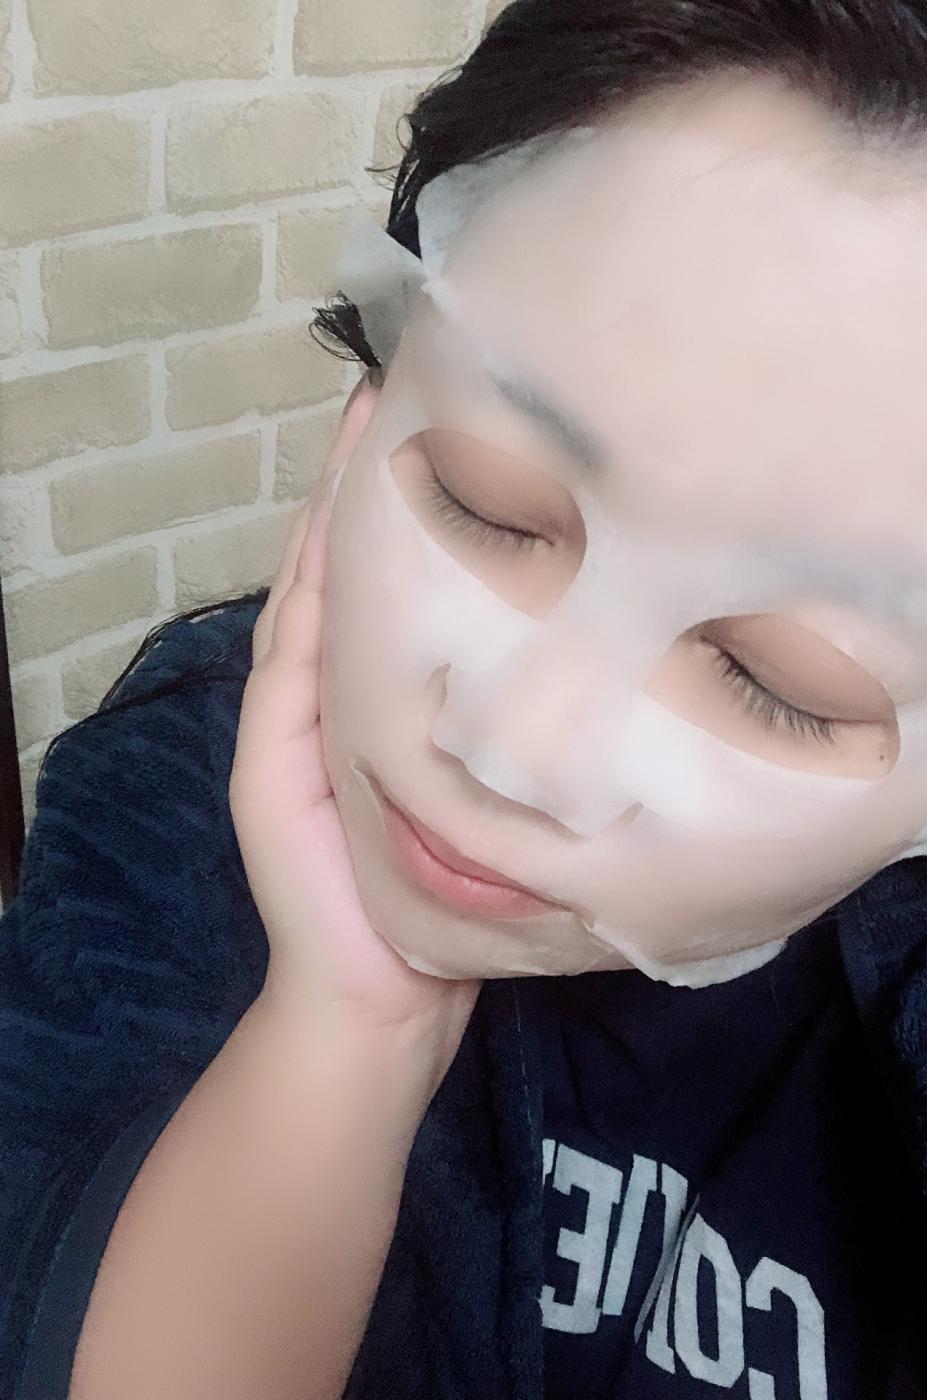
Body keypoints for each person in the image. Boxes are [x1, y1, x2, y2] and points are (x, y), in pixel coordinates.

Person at [4, 2, 927, 1396]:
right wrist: (344, 1032)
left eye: (773, 685)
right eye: (485, 505)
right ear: (366, 416)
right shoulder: (176, 786)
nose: (511, 749)